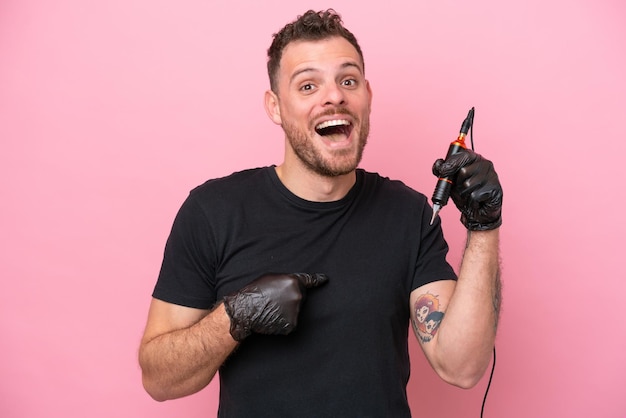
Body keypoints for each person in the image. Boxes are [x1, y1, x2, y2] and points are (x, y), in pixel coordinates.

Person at [139, 9, 503, 417]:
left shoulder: (408, 215)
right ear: (275, 107)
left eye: (348, 80)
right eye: (308, 85)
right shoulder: (213, 212)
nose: (334, 96)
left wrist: (484, 228)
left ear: (367, 96)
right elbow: (159, 380)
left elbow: (463, 367)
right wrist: (235, 316)